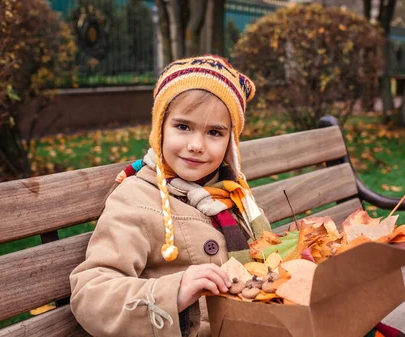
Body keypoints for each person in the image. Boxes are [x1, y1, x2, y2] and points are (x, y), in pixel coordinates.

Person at [69, 55, 271, 337]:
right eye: (183, 127)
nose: (196, 145)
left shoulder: (234, 195)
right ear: (159, 129)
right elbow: (90, 293)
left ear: (230, 143)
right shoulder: (137, 199)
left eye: (214, 132)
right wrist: (172, 293)